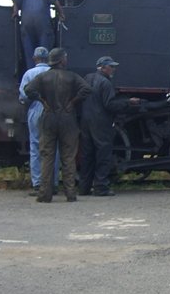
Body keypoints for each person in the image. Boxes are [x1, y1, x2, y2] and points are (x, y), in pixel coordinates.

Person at [24, 48, 91, 203]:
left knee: (47, 156)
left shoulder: (43, 77)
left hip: (48, 117)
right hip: (68, 119)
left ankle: (44, 194)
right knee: (68, 157)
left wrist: (42, 101)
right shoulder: (72, 77)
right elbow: (87, 89)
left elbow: (28, 90)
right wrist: (73, 102)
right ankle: (70, 194)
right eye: (65, 57)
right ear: (61, 60)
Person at [78, 56, 141, 197]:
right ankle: (101, 187)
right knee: (103, 154)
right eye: (111, 67)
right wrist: (128, 102)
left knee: (87, 154)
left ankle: (84, 187)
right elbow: (110, 104)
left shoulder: (87, 78)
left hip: (86, 120)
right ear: (103, 67)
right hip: (101, 122)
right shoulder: (105, 83)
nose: (113, 69)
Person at [18, 46, 59, 196]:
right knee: (54, 146)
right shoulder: (54, 73)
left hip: (35, 109)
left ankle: (38, 184)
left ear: (35, 58)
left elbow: (23, 96)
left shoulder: (29, 73)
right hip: (54, 110)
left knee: (35, 146)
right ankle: (53, 183)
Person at [12, 0, 65, 69]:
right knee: (45, 45)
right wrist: (61, 14)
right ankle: (45, 69)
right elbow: (55, 1)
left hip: (26, 22)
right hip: (43, 22)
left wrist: (15, 12)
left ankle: (30, 69)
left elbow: (15, 0)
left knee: (28, 47)